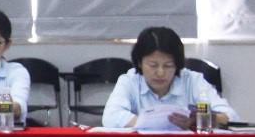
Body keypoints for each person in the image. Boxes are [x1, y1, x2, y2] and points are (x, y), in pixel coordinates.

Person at [102, 26, 238, 129]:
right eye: (153, 65)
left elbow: (232, 117)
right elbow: (110, 117)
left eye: (168, 65)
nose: (160, 73)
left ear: (178, 65)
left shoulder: (192, 80)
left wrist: (202, 119)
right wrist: (151, 122)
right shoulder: (129, 80)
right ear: (139, 63)